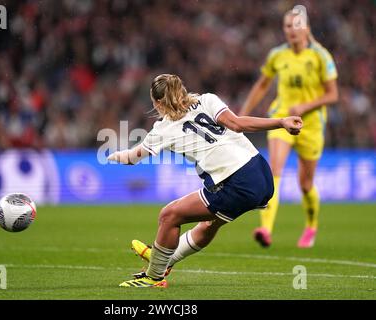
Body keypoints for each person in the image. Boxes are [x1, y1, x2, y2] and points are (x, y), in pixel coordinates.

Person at [108, 74, 302, 287]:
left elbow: (132, 158)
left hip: (237, 181)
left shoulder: (162, 130)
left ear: (158, 103)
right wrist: (281, 122)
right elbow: (237, 124)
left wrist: (114, 155)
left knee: (169, 215)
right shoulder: (208, 100)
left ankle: (154, 276)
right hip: (261, 173)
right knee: (209, 223)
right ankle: (166, 260)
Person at [239, 8, 338, 248]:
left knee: (305, 184)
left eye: (296, 25)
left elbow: (333, 94)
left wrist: (306, 105)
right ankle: (266, 227)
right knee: (275, 168)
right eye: (287, 26)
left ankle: (311, 226)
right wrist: (241, 115)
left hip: (311, 125)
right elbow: (262, 85)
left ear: (306, 28)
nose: (292, 30)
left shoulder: (320, 56)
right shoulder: (277, 55)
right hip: (282, 119)